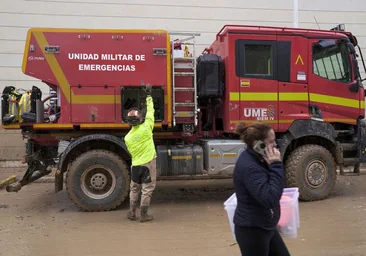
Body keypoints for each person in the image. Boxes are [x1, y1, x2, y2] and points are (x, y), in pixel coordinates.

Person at [233, 122, 291, 256]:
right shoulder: (250, 167)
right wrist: (276, 165)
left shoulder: (259, 158)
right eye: (271, 142)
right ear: (257, 144)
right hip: (253, 231)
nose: (275, 145)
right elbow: (270, 198)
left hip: (266, 226)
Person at [124, 84, 156, 223]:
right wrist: (149, 96)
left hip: (135, 165)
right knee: (147, 189)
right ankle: (144, 215)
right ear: (140, 119)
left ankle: (132, 213)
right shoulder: (147, 128)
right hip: (148, 163)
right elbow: (150, 112)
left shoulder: (127, 138)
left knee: (135, 188)